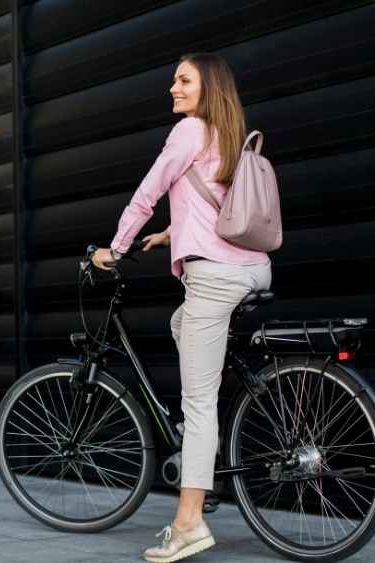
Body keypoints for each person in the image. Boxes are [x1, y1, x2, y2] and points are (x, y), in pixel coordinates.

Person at [90, 52, 273, 563]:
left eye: (183, 80)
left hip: (214, 278)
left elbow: (148, 193)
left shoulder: (190, 131)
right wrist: (170, 234)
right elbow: (219, 202)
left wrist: (117, 247)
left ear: (206, 88)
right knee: (182, 326)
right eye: (173, 79)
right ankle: (206, 450)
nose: (173, 87)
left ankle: (189, 522)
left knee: (197, 404)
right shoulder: (229, 131)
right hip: (253, 268)